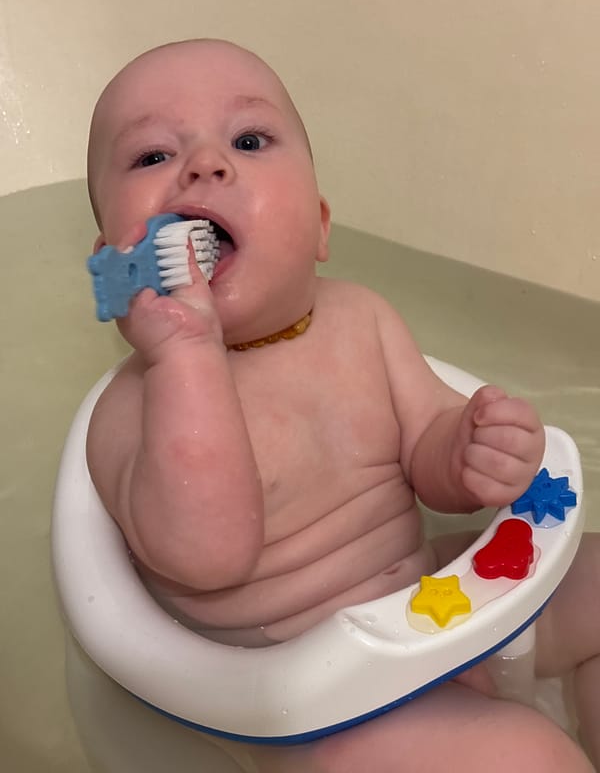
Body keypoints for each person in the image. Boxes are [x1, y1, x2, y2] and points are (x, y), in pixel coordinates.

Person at [85, 38, 599, 772]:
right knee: (527, 757)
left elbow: (429, 450)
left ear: (321, 227)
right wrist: (186, 355)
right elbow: (210, 554)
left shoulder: (362, 319)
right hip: (320, 704)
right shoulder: (131, 408)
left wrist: (470, 449)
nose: (203, 164)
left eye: (248, 140)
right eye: (152, 155)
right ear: (112, 261)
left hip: (425, 601)